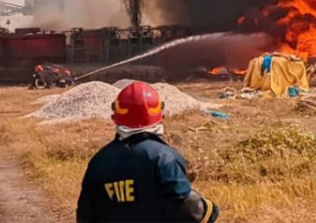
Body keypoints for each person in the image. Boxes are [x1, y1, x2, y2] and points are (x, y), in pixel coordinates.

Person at [77, 82, 218, 223]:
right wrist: (210, 209)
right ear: (159, 114)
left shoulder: (99, 161)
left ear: (116, 116)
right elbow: (189, 209)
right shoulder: (164, 158)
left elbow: (85, 214)